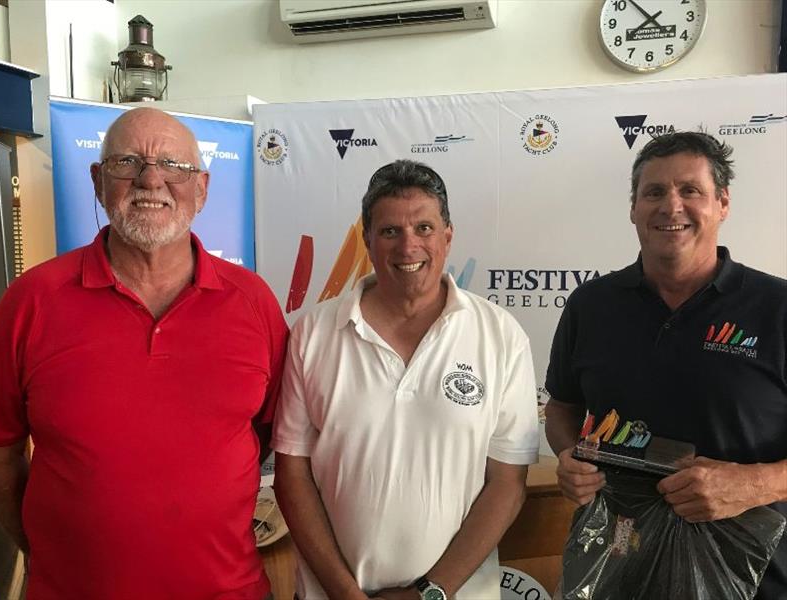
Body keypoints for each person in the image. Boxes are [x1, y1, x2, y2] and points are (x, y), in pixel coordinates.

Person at [0, 107, 288, 600]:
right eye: (128, 162)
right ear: (98, 180)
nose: (152, 180)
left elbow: (272, 435)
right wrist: (55, 552)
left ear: (203, 188)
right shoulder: (31, 301)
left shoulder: (252, 301)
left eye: (175, 166)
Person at [272, 159, 539, 600]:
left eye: (424, 229)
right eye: (390, 231)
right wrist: (344, 593)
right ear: (368, 240)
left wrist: (430, 592)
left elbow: (508, 484)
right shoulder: (314, 332)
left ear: (448, 237)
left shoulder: (499, 335)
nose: (408, 246)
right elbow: (291, 474)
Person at [545, 131, 787, 598]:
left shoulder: (777, 308)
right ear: (633, 209)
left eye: (690, 190)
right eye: (653, 192)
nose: (670, 206)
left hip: (756, 580)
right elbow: (562, 408)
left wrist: (756, 483)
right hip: (614, 570)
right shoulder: (590, 306)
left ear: (723, 204)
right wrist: (566, 455)